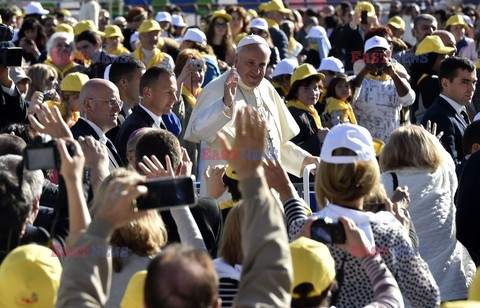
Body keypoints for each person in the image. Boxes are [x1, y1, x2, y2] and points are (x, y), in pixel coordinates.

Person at [282, 123, 441, 307]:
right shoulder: (390, 234)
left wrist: (285, 190)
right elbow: (428, 297)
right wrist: (404, 236)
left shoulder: (303, 231)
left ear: (324, 175)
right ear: (371, 175)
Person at [185, 35, 318, 194]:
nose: (256, 71)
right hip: (228, 195)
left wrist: (304, 159)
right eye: (250, 63)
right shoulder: (215, 89)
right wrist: (225, 103)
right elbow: (198, 130)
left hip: (266, 192)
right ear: (236, 61)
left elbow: (274, 146)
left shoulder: (267, 88)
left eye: (262, 65)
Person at [380, 125, 476, 301]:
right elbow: (445, 158)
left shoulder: (386, 182)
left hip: (411, 286)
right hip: (451, 283)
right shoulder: (445, 174)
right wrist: (431, 140)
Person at [352, 36, 415, 142]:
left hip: (391, 145)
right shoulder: (356, 80)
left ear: (389, 55)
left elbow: (409, 100)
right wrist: (364, 71)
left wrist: (394, 75)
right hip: (364, 144)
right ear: (366, 57)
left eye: (382, 53)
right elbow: (350, 98)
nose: (378, 57)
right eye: (373, 53)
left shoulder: (396, 80)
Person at [115, 67, 177, 165]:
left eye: (175, 92)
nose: (175, 98)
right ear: (148, 92)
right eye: (168, 92)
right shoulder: (136, 128)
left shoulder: (154, 120)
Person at [421, 57, 476, 167]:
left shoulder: (458, 109)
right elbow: (450, 168)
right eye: (465, 82)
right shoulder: (440, 117)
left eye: (474, 82)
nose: (472, 88)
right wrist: (475, 157)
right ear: (445, 83)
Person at [71, 79, 124, 170]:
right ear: (88, 104)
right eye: (111, 102)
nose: (118, 109)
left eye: (119, 103)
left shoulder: (104, 140)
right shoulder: (80, 142)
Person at [173, 48, 206, 177]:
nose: (197, 75)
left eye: (200, 70)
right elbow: (175, 113)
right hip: (184, 159)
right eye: (191, 71)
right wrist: (180, 79)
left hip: (203, 158)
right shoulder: (176, 95)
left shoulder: (207, 95)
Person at [410, 35, 455, 124]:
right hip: (429, 134)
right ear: (431, 59)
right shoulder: (432, 82)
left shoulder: (420, 79)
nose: (446, 59)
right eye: (442, 56)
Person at [285, 64, 328, 156]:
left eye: (315, 88)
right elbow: (290, 153)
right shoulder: (292, 114)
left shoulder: (310, 110)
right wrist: (318, 138)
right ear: (295, 92)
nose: (313, 92)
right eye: (306, 89)